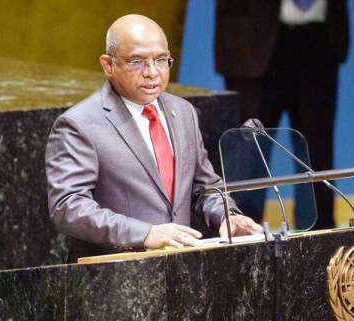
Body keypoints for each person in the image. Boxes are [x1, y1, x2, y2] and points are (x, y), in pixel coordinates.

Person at [45, 14, 262, 263]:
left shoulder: (183, 112)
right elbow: (68, 207)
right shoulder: (79, 124)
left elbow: (202, 187)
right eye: (137, 62)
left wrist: (227, 216)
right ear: (108, 65)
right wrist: (145, 233)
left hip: (180, 271)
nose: (151, 72)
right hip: (112, 278)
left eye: (161, 60)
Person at [215, 0, 349, 229]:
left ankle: (319, 247)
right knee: (249, 157)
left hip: (320, 42)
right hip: (251, 42)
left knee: (317, 157)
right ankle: (242, 244)